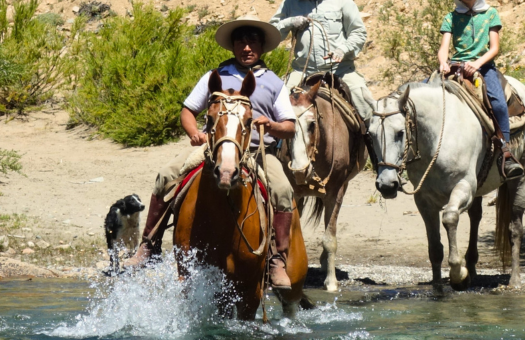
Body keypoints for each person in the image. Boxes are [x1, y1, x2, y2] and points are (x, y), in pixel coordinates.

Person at [125, 16, 297, 290]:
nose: (247, 47)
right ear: (232, 46)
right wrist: (195, 132)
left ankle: (277, 259)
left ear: (262, 47)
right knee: (166, 174)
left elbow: (290, 126)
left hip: (254, 151)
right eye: (241, 41)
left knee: (283, 190)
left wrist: (273, 125)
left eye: (253, 41)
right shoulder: (213, 76)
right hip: (213, 148)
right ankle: (149, 245)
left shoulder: (274, 83)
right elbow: (188, 111)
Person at [269, 0, 377, 156]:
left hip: (341, 70)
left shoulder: (344, 3)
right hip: (303, 70)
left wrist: (343, 49)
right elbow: (272, 34)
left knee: (365, 104)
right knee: (275, 100)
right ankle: (271, 152)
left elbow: (358, 32)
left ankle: (377, 157)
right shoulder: (290, 3)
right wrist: (290, 22)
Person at [437, 0, 524, 179]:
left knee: (499, 104)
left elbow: (494, 48)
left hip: (483, 67)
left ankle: (505, 152)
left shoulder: (490, 13)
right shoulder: (450, 17)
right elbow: (443, 49)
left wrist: (476, 64)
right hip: (456, 66)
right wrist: (443, 62)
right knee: (421, 95)